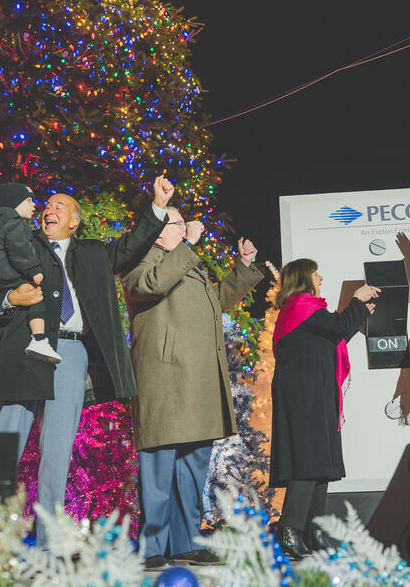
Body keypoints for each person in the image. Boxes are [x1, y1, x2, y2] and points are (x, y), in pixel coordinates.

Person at [0, 176, 173, 548]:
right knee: (4, 445)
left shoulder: (94, 252)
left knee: (57, 449)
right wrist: (11, 297)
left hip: (72, 353)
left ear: (74, 220)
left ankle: (49, 546)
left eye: (59, 205)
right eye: (46, 205)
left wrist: (157, 206)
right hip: (25, 348)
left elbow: (131, 246)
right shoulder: (20, 243)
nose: (49, 209)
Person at [122, 210, 265, 569]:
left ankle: (185, 542)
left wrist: (243, 268)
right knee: (158, 461)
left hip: (198, 379)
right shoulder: (141, 261)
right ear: (156, 233)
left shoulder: (186, 262)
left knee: (193, 463)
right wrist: (186, 246)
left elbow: (214, 302)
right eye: (176, 224)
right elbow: (149, 286)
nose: (185, 228)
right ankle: (151, 545)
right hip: (165, 378)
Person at [269, 258, 379, 559]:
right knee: (308, 461)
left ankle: (313, 531)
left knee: (319, 463)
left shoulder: (306, 311)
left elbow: (334, 335)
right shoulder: (300, 306)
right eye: (315, 272)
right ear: (304, 277)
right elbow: (338, 325)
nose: (321, 276)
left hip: (314, 392)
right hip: (303, 395)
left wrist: (358, 314)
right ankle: (290, 530)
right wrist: (356, 302)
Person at [0, 182, 59, 364]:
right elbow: (20, 251)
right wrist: (33, 270)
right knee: (36, 298)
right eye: (29, 201)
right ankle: (39, 339)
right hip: (10, 276)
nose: (35, 206)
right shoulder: (16, 225)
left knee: (3, 320)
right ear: (14, 203)